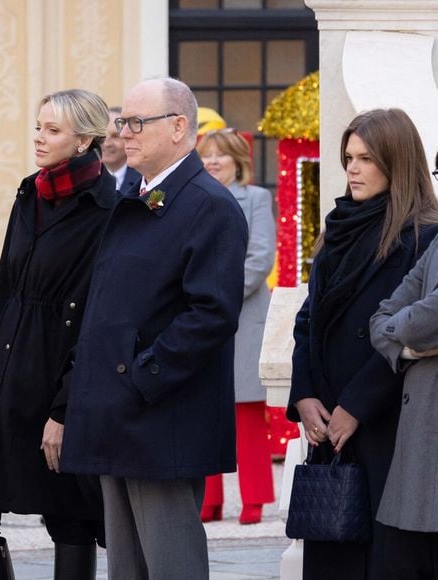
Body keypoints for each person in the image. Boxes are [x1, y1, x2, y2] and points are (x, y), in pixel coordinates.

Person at [60, 77, 248, 580]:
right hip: (119, 411)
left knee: (170, 565)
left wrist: (143, 377)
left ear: (179, 127)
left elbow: (211, 313)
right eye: (123, 122)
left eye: (138, 122)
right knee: (126, 566)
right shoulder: (139, 196)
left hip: (162, 417)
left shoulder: (208, 204)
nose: (125, 133)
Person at [0, 89, 118, 580]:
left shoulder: (108, 209)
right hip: (3, 372)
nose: (39, 138)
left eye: (52, 130)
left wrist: (63, 409)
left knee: (69, 516)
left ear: (84, 139)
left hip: (55, 378)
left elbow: (95, 317)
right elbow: (5, 286)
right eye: (38, 126)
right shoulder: (30, 192)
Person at [287, 109, 438, 580]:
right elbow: (308, 320)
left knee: (379, 560)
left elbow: (414, 334)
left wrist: (356, 405)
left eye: (366, 158)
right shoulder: (337, 228)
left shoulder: (423, 234)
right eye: (348, 157)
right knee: (331, 552)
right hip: (328, 420)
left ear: (396, 163)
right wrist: (305, 394)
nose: (351, 168)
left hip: (386, 422)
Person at [196, 129, 275, 525]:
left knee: (246, 418)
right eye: (205, 156)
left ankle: (255, 500)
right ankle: (208, 500)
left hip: (242, 320)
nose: (211, 162)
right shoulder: (192, 198)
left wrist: (214, 296)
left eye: (219, 156)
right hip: (200, 323)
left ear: (237, 161)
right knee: (206, 415)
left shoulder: (256, 199)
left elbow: (260, 259)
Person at [369, 152, 438, 580]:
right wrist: (408, 346)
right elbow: (381, 317)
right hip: (419, 446)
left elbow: (429, 314)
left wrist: (401, 328)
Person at [101, 106, 141, 195]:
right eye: (102, 136)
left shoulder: (143, 178)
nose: (106, 144)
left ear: (129, 137)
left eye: (115, 136)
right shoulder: (85, 178)